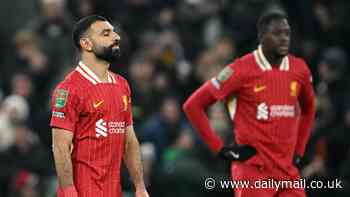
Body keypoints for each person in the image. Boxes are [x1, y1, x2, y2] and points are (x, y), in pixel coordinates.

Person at [183, 10, 316, 197]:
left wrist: (299, 151)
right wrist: (220, 150)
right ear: (262, 37)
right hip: (253, 171)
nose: (284, 39)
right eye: (276, 34)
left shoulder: (299, 69)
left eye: (287, 33)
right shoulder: (240, 70)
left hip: (286, 172)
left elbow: (309, 108)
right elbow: (193, 105)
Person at [50, 15, 149, 197]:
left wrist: (140, 186)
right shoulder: (69, 89)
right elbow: (60, 147)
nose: (116, 37)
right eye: (106, 33)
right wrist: (69, 190)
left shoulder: (122, 85)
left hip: (114, 191)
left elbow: (129, 141)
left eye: (113, 32)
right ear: (86, 44)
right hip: (82, 191)